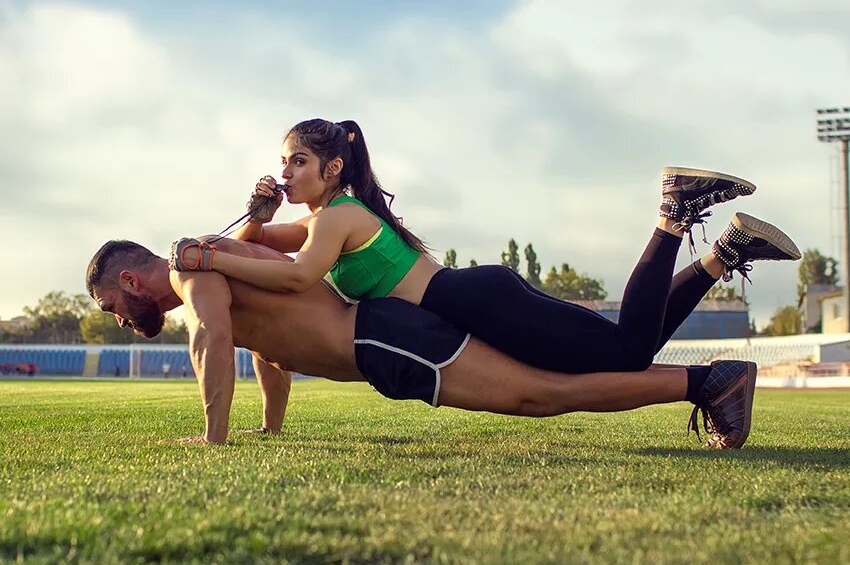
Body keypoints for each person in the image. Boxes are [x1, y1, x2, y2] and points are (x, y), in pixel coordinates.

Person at [171, 119, 800, 377]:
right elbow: (261, 250)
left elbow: (295, 278)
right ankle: (724, 253)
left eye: (298, 162)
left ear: (333, 167)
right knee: (624, 345)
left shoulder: (335, 219)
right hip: (478, 297)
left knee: (628, 350)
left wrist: (207, 258)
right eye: (282, 163)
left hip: (476, 301)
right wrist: (255, 216)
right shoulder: (325, 220)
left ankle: (672, 212)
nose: (286, 174)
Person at [89, 237, 756, 447]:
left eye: (111, 305)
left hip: (388, 341)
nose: (118, 317)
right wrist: (270, 426)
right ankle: (713, 293)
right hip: (388, 342)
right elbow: (268, 349)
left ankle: (705, 382)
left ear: (128, 278)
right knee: (555, 375)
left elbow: (214, 340)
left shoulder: (192, 269)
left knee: (537, 394)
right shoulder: (213, 270)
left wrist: (213, 437)